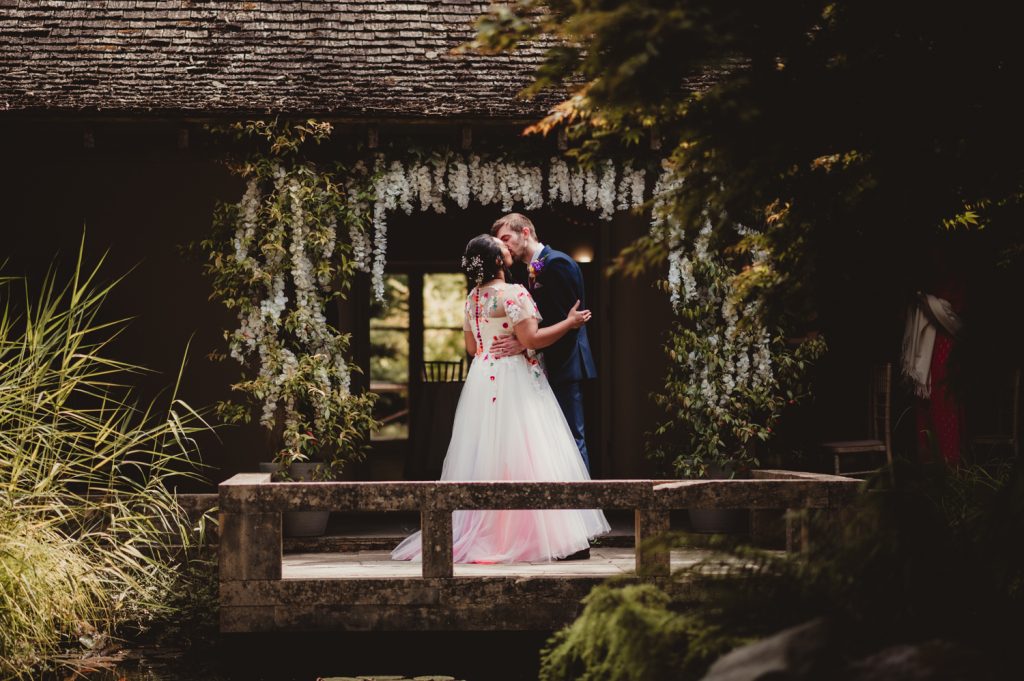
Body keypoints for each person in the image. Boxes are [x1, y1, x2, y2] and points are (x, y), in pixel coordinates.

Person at [390, 234, 609, 564]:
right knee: (532, 450)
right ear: (497, 261)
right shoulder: (513, 293)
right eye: (501, 246)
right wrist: (570, 322)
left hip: (483, 375)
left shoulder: (473, 298)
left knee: (492, 452)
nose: (507, 247)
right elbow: (532, 337)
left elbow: (469, 347)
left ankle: (497, 529)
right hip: (514, 376)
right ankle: (549, 536)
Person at [490, 213, 597, 471]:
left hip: (566, 364)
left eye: (507, 238)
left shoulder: (557, 264)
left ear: (525, 232)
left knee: (571, 438)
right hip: (546, 366)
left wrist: (526, 343)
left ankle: (579, 504)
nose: (504, 246)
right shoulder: (534, 268)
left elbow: (568, 322)